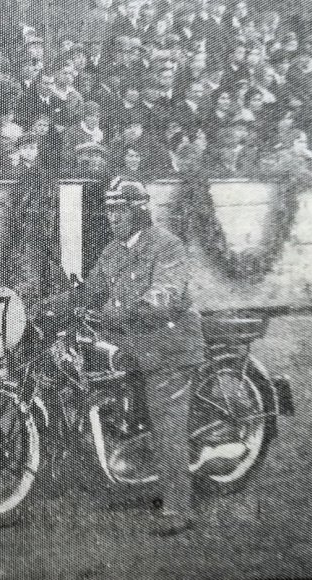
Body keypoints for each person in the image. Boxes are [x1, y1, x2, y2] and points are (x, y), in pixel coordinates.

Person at [44, 178, 205, 535]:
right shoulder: (113, 251)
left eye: (121, 209)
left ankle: (179, 507)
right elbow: (89, 291)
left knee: (166, 423)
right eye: (110, 209)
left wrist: (132, 310)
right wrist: (47, 307)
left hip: (168, 346)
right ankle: (116, 468)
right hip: (128, 343)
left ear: (140, 210)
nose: (113, 217)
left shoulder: (166, 246)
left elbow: (166, 293)